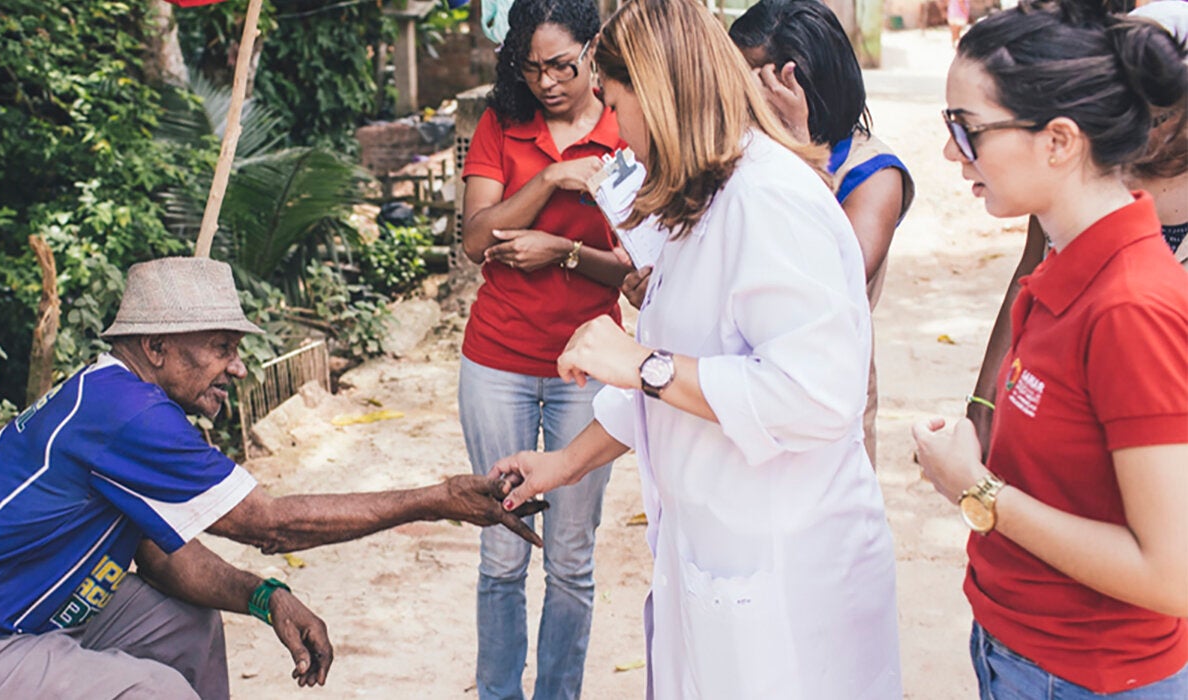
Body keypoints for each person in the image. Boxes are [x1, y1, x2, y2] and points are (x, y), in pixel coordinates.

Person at [0, 257, 545, 700]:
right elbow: (273, 523)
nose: (236, 367)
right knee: (152, 693)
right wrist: (440, 498)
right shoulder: (128, 415)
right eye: (219, 349)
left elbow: (156, 550)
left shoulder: (113, 395)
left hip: (9, 622)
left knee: (183, 626)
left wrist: (266, 596)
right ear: (155, 348)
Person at [490, 0, 902, 696]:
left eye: (618, 104)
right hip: (718, 559)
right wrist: (563, 463)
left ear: (656, 92)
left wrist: (641, 365)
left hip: (785, 582)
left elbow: (815, 397)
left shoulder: (769, 200)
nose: (619, 130)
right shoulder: (700, 203)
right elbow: (672, 394)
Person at [912, 1, 1188, 696]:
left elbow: (1170, 573)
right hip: (1022, 651)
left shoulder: (1131, 309)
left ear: (1059, 141)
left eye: (966, 130)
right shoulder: (1063, 269)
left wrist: (975, 488)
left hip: (1087, 675)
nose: (952, 153)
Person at [457, 0, 633, 696]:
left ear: (594, 50)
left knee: (569, 558)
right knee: (501, 549)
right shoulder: (504, 122)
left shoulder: (627, 129)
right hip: (496, 359)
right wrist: (553, 179)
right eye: (532, 68)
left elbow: (641, 272)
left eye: (563, 65)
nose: (549, 82)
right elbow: (477, 239)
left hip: (588, 368)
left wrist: (564, 251)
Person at [966, 0, 1188, 458]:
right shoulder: (1088, 177)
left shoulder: (1141, 302)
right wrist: (988, 397)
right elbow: (1031, 274)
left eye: (1161, 117)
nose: (1145, 129)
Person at [726, 0, 916, 468]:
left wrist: (796, 140)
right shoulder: (741, 145)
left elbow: (833, 275)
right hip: (741, 375)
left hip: (822, 389)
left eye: (748, 75)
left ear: (793, 80)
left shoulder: (871, 171)